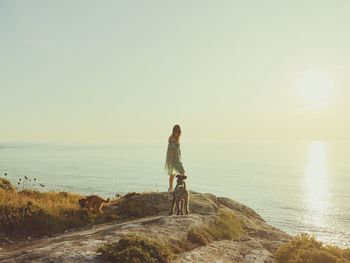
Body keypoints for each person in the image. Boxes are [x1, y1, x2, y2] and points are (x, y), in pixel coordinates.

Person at [165, 124, 186, 192]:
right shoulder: (172, 139)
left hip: (177, 158)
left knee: (173, 174)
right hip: (174, 159)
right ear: (173, 131)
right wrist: (171, 161)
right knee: (181, 172)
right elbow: (170, 151)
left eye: (178, 131)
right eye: (175, 131)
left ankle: (172, 188)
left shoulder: (176, 139)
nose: (176, 133)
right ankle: (175, 188)